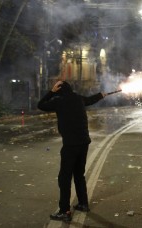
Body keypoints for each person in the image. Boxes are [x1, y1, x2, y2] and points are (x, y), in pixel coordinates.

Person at [37, 81, 106, 222]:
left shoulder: (58, 101)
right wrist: (100, 95)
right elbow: (90, 100)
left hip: (70, 145)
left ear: (59, 90)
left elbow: (40, 105)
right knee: (79, 175)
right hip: (84, 143)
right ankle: (83, 204)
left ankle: (64, 211)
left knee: (65, 178)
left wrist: (51, 92)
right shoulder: (78, 98)